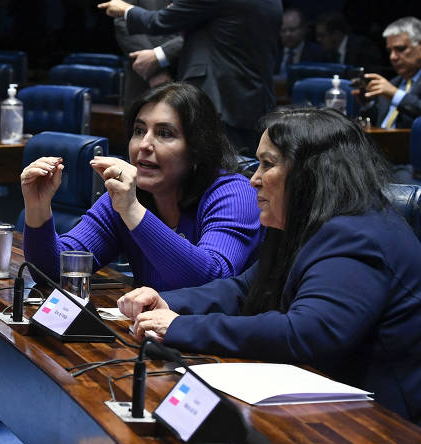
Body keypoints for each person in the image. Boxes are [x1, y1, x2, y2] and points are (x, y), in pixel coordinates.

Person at [117, 107, 421, 434]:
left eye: (268, 164)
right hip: (337, 411)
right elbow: (246, 289)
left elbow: (306, 333)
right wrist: (169, 302)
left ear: (310, 173)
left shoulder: (357, 234)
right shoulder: (304, 220)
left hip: (406, 433)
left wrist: (181, 327)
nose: (254, 179)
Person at [21, 82, 262, 292]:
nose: (144, 144)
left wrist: (132, 210)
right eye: (139, 131)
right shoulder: (124, 197)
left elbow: (211, 282)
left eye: (164, 134)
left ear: (197, 149)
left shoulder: (234, 194)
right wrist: (38, 206)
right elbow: (54, 271)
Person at [98, 0, 282, 155]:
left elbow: (159, 21)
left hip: (219, 101)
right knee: (243, 172)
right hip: (253, 99)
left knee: (214, 173)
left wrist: (126, 9)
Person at [357, 16, 421, 129]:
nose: (392, 57)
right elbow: (379, 122)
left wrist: (396, 95)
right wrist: (368, 104)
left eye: (400, 49)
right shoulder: (395, 82)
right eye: (389, 51)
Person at [112, 0, 183, 108]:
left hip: (187, 69)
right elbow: (123, 21)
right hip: (143, 75)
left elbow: (202, 30)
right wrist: (153, 69)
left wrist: (161, 55)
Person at [315, 11, 382, 69]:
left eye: (322, 36)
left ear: (336, 34)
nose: (318, 40)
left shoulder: (362, 48)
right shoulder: (329, 54)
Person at [276, 8, 327, 75]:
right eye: (283, 30)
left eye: (292, 30)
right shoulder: (273, 52)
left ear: (303, 29)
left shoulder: (317, 53)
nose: (288, 34)